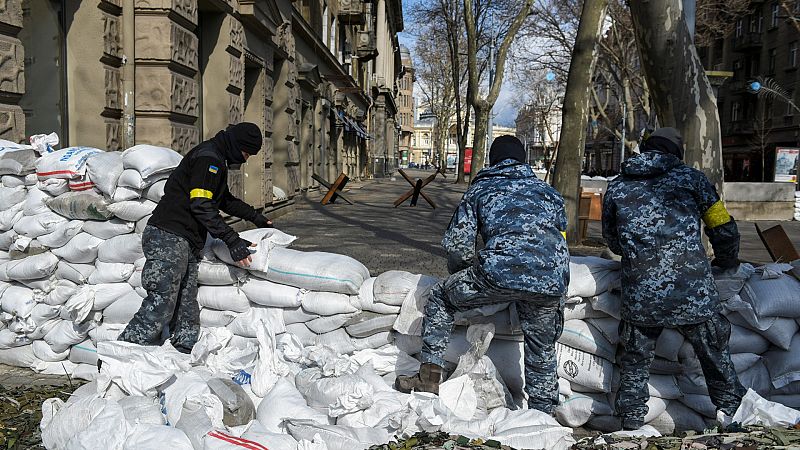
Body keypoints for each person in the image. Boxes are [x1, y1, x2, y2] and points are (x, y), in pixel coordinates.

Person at [395, 135, 570, 414]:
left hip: (498, 273)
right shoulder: (549, 192)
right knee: (541, 345)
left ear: (492, 160)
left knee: (440, 297)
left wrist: (465, 273)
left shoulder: (481, 189)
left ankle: (429, 378)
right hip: (550, 278)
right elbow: (560, 234)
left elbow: (458, 245)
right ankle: (543, 412)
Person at [602, 127, 745, 430]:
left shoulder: (617, 187)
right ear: (676, 151)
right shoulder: (693, 180)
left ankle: (630, 424)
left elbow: (613, 241)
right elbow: (722, 228)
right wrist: (726, 261)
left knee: (635, 359)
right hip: (692, 290)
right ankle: (732, 412)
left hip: (641, 292)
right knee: (714, 353)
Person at [117, 122, 273, 354]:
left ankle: (184, 349)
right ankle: (122, 351)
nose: (246, 159)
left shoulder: (215, 158)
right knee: (162, 301)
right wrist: (232, 240)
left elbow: (223, 200)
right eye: (247, 153)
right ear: (237, 145)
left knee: (186, 301)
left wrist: (255, 217)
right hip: (168, 237)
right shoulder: (208, 160)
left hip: (186, 240)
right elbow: (201, 205)